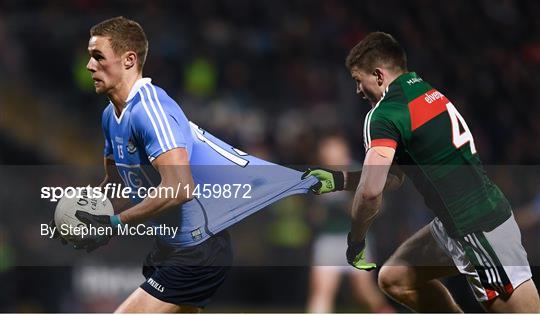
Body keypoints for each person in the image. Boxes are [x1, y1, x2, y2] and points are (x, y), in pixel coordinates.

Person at [53, 16, 317, 313]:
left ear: (129, 60)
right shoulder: (109, 117)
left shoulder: (150, 112)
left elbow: (180, 188)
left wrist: (115, 223)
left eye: (98, 57)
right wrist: (79, 214)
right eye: (90, 57)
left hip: (198, 248)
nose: (90, 66)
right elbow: (116, 185)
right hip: (170, 249)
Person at [304, 31, 540, 312]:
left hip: (477, 230)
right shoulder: (424, 90)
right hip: (457, 223)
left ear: (379, 76)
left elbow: (370, 193)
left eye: (358, 80)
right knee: (395, 279)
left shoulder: (383, 114)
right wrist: (341, 180)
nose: (357, 90)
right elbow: (393, 176)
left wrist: (355, 241)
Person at [306, 135, 394, 313]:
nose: (329, 154)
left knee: (364, 293)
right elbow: (313, 213)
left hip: (355, 241)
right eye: (326, 150)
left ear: (343, 151)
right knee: (322, 291)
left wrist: (355, 207)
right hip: (328, 240)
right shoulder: (318, 175)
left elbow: (379, 205)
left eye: (333, 149)